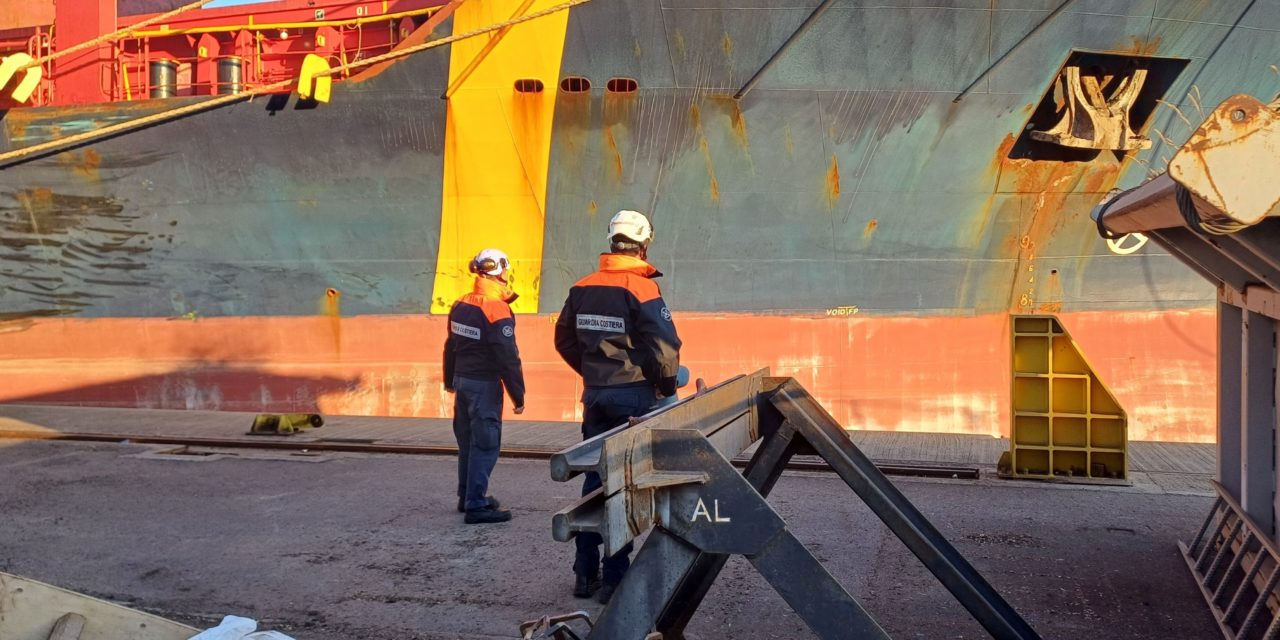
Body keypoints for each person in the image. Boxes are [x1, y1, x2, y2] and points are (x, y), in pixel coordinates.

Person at [554, 210, 682, 603]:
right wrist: (662, 388)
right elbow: (666, 350)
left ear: (613, 242)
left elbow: (564, 341)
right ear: (643, 245)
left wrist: (593, 373)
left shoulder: (581, 287)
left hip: (595, 395)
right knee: (623, 487)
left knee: (594, 482)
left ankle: (583, 575)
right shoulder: (642, 289)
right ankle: (614, 580)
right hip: (634, 395)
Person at [443, 248, 525, 524]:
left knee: (467, 442)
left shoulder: (461, 303)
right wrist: (518, 395)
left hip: (463, 382)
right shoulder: (495, 308)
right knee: (485, 443)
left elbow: (450, 346)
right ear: (501, 270)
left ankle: (466, 496)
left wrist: (449, 380)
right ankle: (477, 505)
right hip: (484, 386)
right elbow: (508, 357)